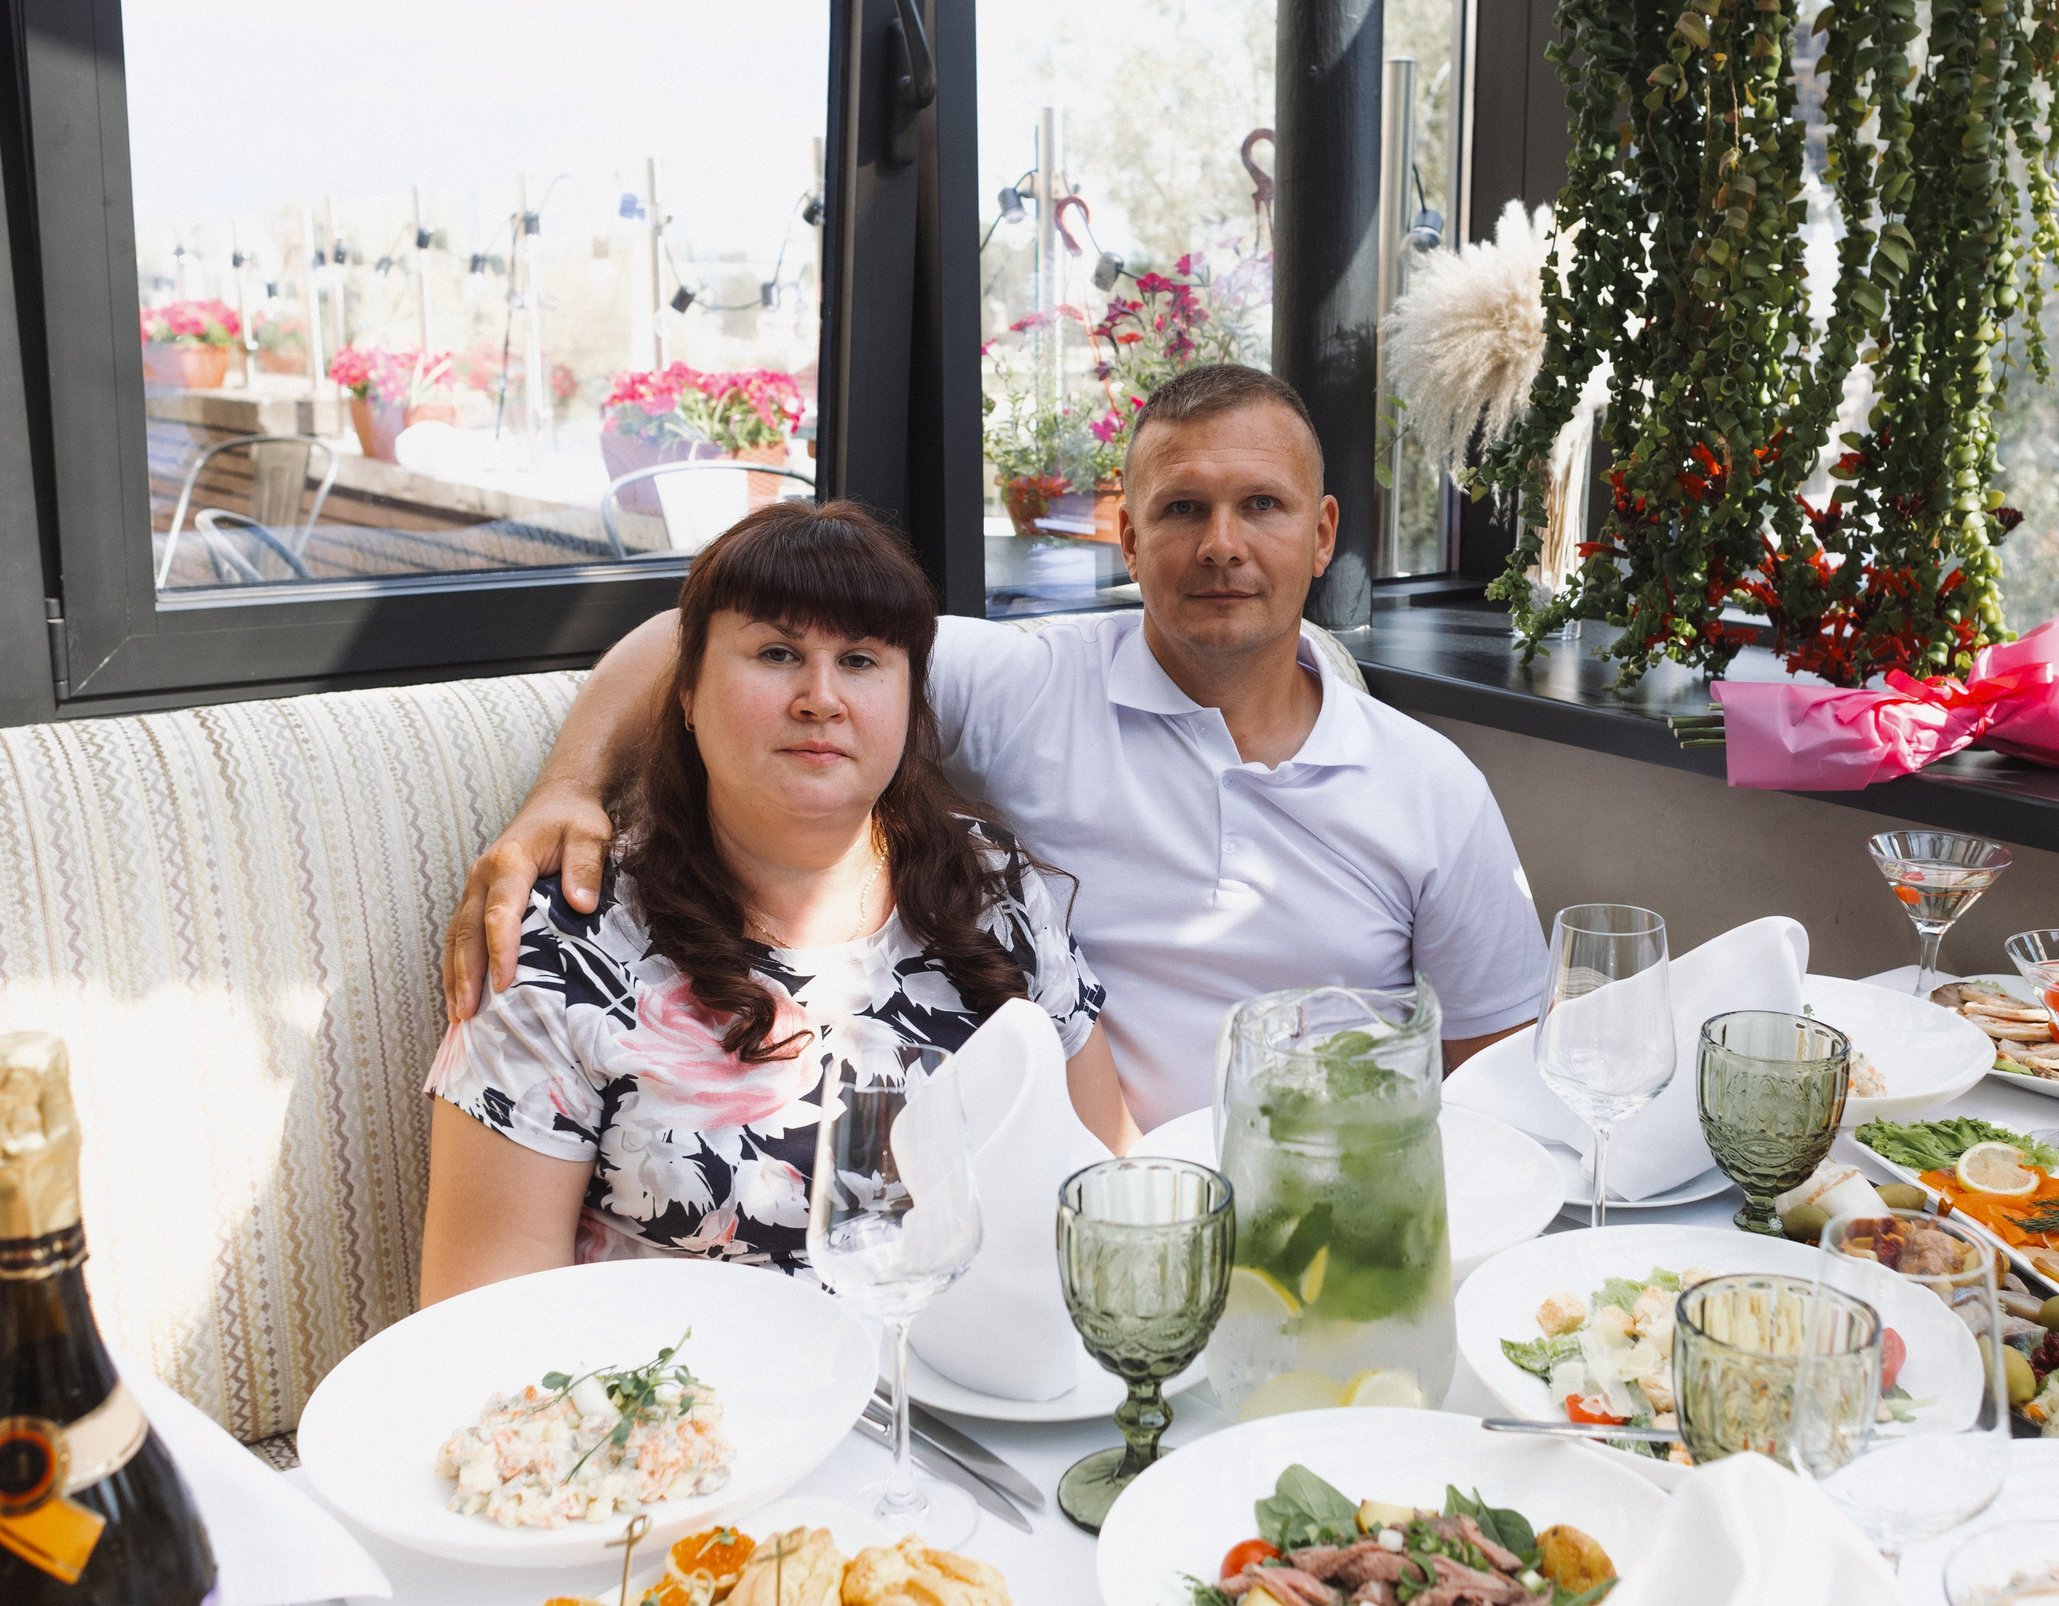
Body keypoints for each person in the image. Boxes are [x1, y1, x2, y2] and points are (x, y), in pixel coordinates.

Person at [444, 363, 1547, 1128]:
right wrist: (568, 787)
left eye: (1260, 504)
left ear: (1321, 534)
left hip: (1328, 1213)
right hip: (1090, 1209)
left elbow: (1498, 1083)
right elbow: (709, 636)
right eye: (1179, 510)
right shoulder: (1026, 683)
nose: (1220, 545)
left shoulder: (1429, 787)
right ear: (1126, 535)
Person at [418, 500, 1132, 1305]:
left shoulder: (991, 887)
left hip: (980, 1396)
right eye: (777, 652)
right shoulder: (565, 944)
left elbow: (1112, 1183)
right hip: (697, 1409)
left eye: (861, 661)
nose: (820, 698)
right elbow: (481, 1315)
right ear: (685, 694)